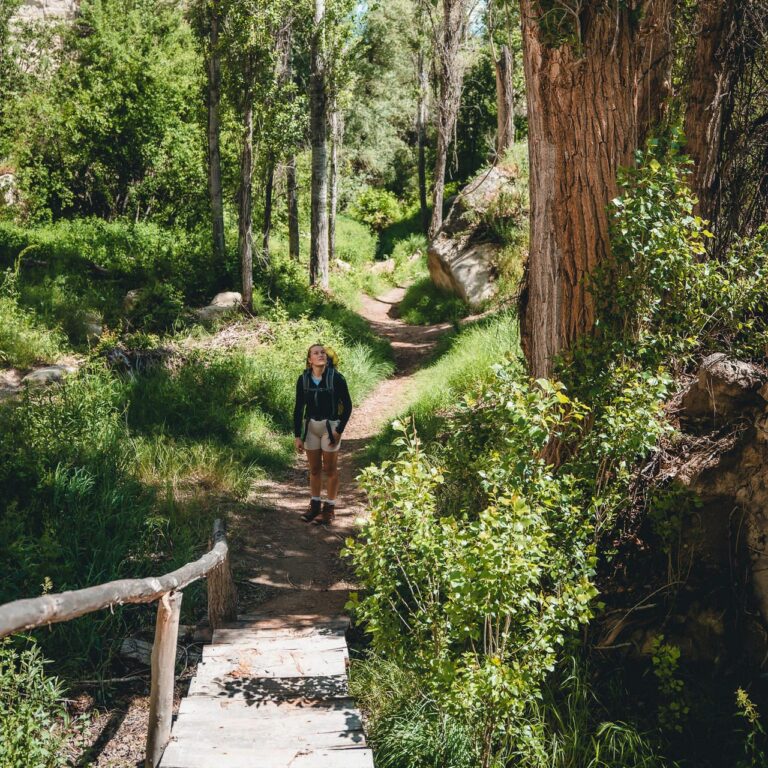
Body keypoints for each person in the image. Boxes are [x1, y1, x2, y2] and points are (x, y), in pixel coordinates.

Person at [293, 343, 352, 525]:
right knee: (315, 469)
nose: (320, 355)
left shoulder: (337, 379)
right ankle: (315, 505)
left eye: (323, 353)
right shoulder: (303, 380)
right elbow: (298, 408)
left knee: (330, 469)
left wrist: (339, 431)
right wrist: (297, 435)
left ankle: (330, 508)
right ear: (309, 360)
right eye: (316, 353)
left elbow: (348, 406)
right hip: (310, 426)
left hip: (330, 426)